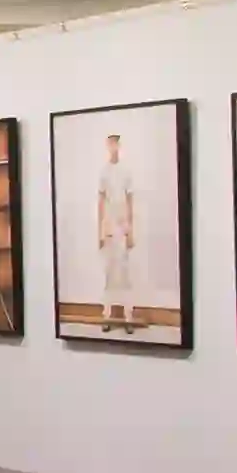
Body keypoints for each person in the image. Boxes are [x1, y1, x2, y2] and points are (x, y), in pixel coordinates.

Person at [94, 131, 140, 329]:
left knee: (124, 273)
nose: (113, 147)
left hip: (122, 227)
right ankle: (107, 316)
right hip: (109, 227)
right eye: (110, 143)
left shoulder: (126, 171)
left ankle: (128, 317)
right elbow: (101, 202)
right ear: (107, 145)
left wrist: (131, 231)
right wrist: (100, 232)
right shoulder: (104, 172)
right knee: (109, 273)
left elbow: (130, 201)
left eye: (116, 143)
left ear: (119, 146)